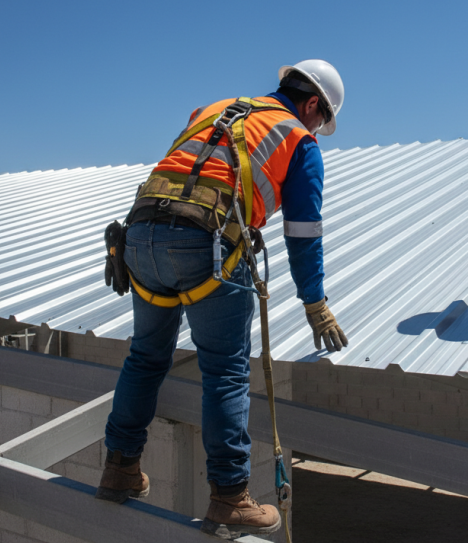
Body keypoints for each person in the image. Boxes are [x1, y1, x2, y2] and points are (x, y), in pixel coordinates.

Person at [96, 59, 349, 539]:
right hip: (204, 246)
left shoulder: (214, 109)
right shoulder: (299, 139)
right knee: (226, 369)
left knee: (147, 356)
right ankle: (231, 497)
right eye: (322, 118)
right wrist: (314, 302)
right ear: (312, 103)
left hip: (139, 236)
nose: (318, 127)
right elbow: (303, 233)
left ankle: (119, 469)